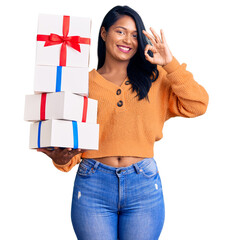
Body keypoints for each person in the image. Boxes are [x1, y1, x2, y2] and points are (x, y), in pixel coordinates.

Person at [37, 5, 209, 240]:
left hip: (144, 185)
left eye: (135, 35)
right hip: (93, 184)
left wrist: (170, 63)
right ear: (104, 33)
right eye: (120, 31)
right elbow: (75, 141)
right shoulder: (80, 83)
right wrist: (62, 158)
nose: (128, 39)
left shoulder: (155, 79)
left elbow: (198, 104)